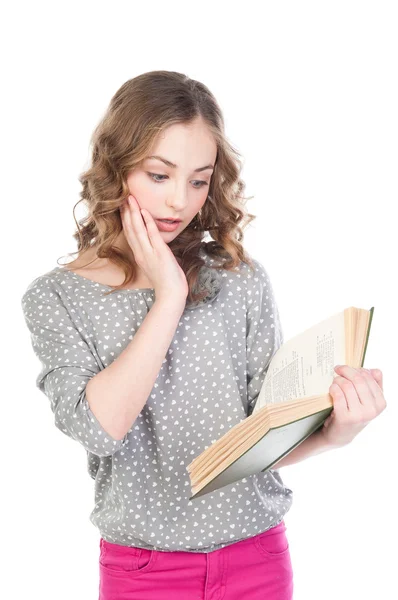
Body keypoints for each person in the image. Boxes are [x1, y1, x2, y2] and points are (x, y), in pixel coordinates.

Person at [20, 71, 385, 600]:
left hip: (256, 556)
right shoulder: (57, 296)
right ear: (116, 167)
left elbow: (262, 436)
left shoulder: (238, 277)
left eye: (198, 180)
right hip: (144, 571)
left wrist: (338, 432)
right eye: (158, 175)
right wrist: (168, 295)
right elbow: (102, 429)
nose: (178, 202)